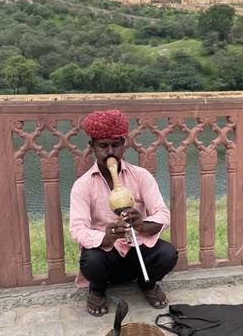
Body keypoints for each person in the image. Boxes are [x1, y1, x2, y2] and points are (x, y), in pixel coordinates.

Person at [70, 109, 178, 317]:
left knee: (168, 254)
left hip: (137, 248)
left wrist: (141, 224)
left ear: (123, 145)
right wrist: (106, 236)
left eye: (115, 145)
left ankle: (147, 284)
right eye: (103, 146)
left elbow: (162, 214)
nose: (110, 152)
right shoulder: (82, 185)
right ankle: (98, 290)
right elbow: (77, 230)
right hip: (107, 254)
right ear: (92, 146)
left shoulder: (141, 176)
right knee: (91, 261)